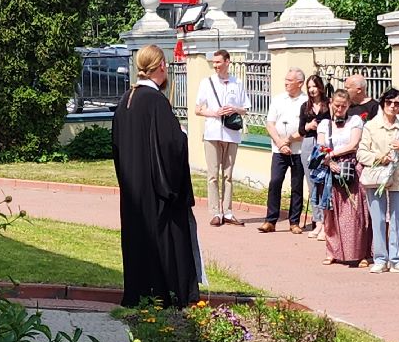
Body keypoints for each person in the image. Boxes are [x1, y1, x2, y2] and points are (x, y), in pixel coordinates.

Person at [111, 44, 201, 307]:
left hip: (133, 190)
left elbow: (117, 147)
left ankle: (139, 295)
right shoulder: (155, 101)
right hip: (156, 192)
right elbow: (171, 146)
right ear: (162, 66)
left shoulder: (125, 100)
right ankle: (167, 294)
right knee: (165, 244)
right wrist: (181, 135)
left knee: (137, 241)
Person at [357, 87, 399, 273]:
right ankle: (380, 258)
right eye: (389, 103)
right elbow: (361, 153)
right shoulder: (371, 126)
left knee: (398, 218)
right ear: (383, 104)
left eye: (397, 103)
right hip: (376, 177)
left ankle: (396, 258)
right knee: (378, 218)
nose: (392, 106)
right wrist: (380, 157)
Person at [194, 49, 250, 227]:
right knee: (213, 175)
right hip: (212, 132)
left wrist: (234, 109)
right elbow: (197, 109)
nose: (216, 66)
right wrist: (214, 113)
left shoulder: (237, 82)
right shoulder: (207, 82)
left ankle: (228, 211)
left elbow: (245, 108)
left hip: (231, 133)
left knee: (228, 175)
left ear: (227, 62)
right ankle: (215, 212)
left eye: (219, 62)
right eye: (214, 63)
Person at [314, 92, 369, 265]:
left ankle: (360, 253)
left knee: (355, 212)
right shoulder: (324, 124)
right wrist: (329, 162)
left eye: (343, 106)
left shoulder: (355, 121)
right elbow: (321, 146)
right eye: (336, 105)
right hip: (331, 169)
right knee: (331, 212)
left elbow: (353, 144)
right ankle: (332, 251)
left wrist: (332, 155)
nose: (339, 109)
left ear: (348, 105)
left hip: (350, 168)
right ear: (331, 103)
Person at [258, 68, 307, 233]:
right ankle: (270, 220)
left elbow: (305, 128)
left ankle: (294, 222)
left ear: (299, 83)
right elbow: (270, 124)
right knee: (275, 182)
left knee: (296, 185)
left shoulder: (305, 102)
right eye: (285, 79)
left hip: (299, 150)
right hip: (279, 149)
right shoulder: (278, 99)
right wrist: (280, 143)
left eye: (290, 80)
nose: (286, 82)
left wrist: (290, 140)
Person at [298, 74, 329, 235]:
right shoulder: (305, 106)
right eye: (309, 87)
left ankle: (327, 221)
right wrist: (309, 126)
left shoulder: (328, 104)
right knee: (312, 184)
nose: (311, 90)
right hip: (309, 144)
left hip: (325, 144)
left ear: (320, 87)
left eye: (314, 86)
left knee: (325, 183)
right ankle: (317, 221)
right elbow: (300, 130)